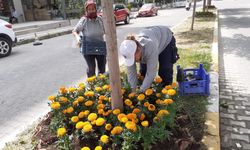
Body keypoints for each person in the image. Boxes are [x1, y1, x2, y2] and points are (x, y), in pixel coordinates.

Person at [119, 26, 179, 92]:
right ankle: (149, 94)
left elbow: (151, 72)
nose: (133, 60)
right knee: (143, 73)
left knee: (165, 71)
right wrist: (133, 91)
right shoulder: (129, 51)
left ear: (138, 49)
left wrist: (140, 92)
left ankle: (167, 95)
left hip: (165, 39)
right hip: (153, 40)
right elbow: (131, 73)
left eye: (134, 58)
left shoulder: (150, 46)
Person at [72, 0, 106, 77]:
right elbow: (74, 31)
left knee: (102, 68)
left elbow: (106, 31)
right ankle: (91, 86)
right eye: (89, 9)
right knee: (91, 68)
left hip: (100, 46)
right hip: (88, 47)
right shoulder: (84, 20)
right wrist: (77, 38)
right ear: (86, 10)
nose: (91, 11)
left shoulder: (100, 19)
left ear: (95, 9)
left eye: (93, 9)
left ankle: (101, 86)